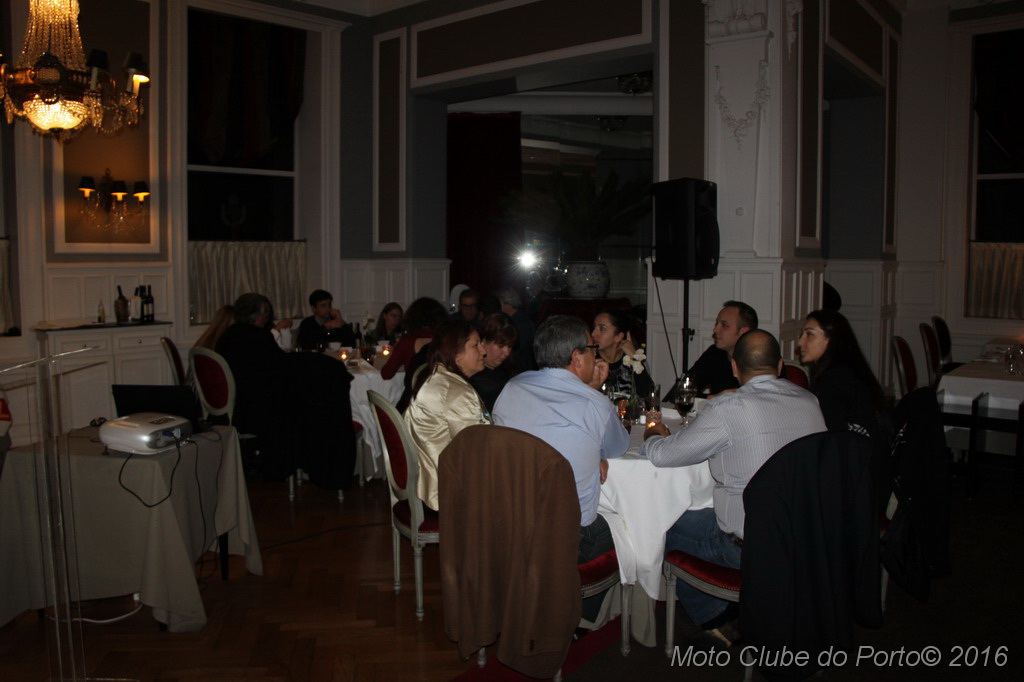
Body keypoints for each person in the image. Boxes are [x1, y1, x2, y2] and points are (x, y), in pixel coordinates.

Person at [641, 330, 825, 648]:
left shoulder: (729, 408)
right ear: (780, 365)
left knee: (661, 520)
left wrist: (653, 433)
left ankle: (716, 617)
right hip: (805, 536)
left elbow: (663, 456)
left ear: (735, 367)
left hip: (747, 547)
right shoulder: (810, 401)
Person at [493, 315, 628, 623]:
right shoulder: (593, 404)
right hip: (570, 537)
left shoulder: (512, 387)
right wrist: (594, 391)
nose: (596, 355)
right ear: (577, 357)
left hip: (513, 522)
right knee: (628, 523)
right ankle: (581, 617)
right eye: (592, 349)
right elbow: (619, 447)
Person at [216, 293, 356, 489]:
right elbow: (279, 365)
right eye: (265, 313)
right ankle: (314, 464)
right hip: (254, 410)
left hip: (237, 404)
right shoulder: (259, 337)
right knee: (309, 407)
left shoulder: (228, 336)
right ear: (258, 315)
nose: (267, 317)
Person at [797, 310, 892, 510]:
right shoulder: (849, 370)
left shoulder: (834, 381)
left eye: (809, 334)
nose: (800, 342)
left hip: (860, 488)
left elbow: (832, 445)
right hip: (874, 474)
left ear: (831, 340)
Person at [404, 320, 490, 511]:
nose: (483, 351)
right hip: (447, 495)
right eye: (476, 345)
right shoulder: (456, 393)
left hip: (427, 484)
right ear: (456, 352)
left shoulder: (435, 376)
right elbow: (476, 454)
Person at [685, 301, 758, 396]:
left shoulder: (760, 359)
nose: (715, 329)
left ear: (743, 332)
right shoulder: (714, 353)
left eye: (724, 325)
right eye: (716, 324)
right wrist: (714, 398)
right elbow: (682, 391)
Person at [381, 297, 448, 380]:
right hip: (441, 387)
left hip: (415, 388)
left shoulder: (407, 342)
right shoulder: (446, 341)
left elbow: (386, 374)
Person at [591, 309, 654, 398]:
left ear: (618, 336)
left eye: (602, 329)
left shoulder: (633, 360)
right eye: (594, 327)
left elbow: (649, 395)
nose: (593, 334)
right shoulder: (590, 360)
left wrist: (635, 359)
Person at [469, 313, 518, 412]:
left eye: (510, 346)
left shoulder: (508, 367)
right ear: (483, 342)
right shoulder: (475, 378)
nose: (507, 352)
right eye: (501, 345)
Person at [495, 286, 536, 372]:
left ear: (506, 303)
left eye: (499, 302)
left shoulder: (522, 323)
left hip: (520, 369)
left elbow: (517, 350)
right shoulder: (514, 319)